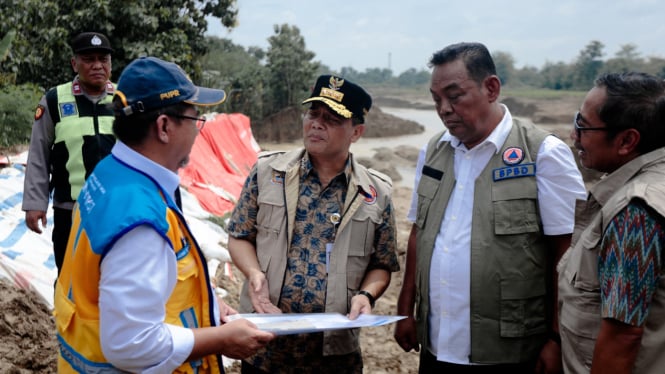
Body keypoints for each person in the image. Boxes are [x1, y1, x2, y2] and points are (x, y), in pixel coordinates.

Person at [53, 56, 275, 373]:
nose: (199, 133)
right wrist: (221, 340)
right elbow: (132, 344)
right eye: (196, 120)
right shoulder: (139, 220)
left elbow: (144, 281)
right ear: (165, 126)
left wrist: (209, 304)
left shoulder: (111, 174)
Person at [393, 42, 587, 373]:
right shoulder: (434, 151)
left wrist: (556, 339)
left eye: (455, 96)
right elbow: (420, 233)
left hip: (510, 349)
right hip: (437, 344)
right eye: (436, 99)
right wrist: (405, 310)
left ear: (491, 88)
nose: (444, 109)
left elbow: (567, 254)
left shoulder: (543, 153)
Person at [226, 74, 400, 373]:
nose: (317, 123)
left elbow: (382, 264)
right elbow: (239, 235)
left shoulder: (376, 193)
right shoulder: (268, 171)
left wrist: (366, 294)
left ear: (356, 131)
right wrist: (254, 273)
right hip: (265, 346)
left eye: (332, 118)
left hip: (334, 355)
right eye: (313, 113)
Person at [558, 72, 665, 374]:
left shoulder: (637, 210)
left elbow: (622, 337)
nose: (573, 135)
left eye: (582, 125)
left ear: (627, 140)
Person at [22, 31, 117, 276]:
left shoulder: (123, 100)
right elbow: (38, 154)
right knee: (69, 280)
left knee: (115, 279)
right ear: (75, 64)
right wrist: (35, 203)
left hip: (116, 208)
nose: (97, 65)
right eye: (89, 59)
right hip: (70, 211)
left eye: (103, 59)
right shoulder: (54, 100)